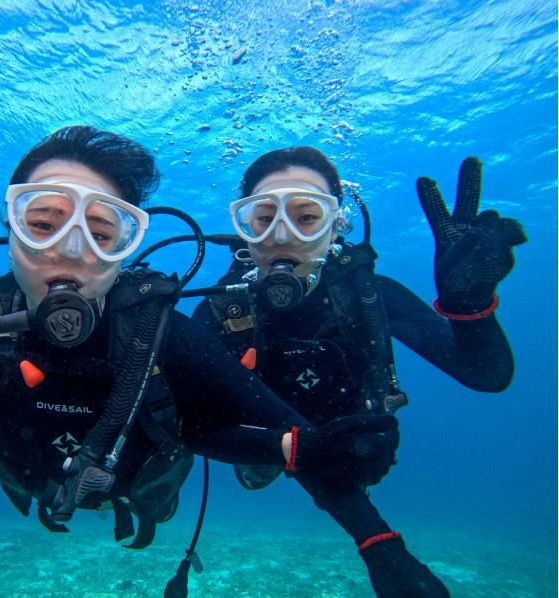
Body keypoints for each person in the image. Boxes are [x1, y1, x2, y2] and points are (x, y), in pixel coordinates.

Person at [0, 127, 398, 559]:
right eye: (43, 223)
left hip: (145, 486)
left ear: (126, 248)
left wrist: (382, 547)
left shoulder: (162, 331)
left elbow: (304, 441)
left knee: (158, 498)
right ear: (10, 229)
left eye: (101, 232)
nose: (71, 250)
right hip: (30, 482)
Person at [191, 146, 525, 597]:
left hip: (346, 442)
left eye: (307, 217)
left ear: (336, 227)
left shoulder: (367, 295)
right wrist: (284, 452)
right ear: (245, 229)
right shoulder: (221, 310)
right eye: (264, 218)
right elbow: (189, 425)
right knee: (249, 476)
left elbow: (485, 373)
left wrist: (470, 309)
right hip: (261, 440)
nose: (282, 235)